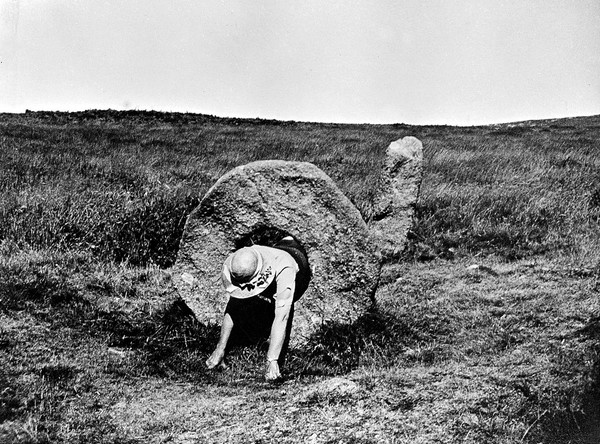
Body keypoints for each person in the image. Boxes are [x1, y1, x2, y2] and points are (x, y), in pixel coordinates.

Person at [205, 236, 311, 380]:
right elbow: (234, 304)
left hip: (295, 260)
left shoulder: (285, 268)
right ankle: (220, 353)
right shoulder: (245, 258)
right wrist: (220, 349)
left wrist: (272, 361)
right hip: (278, 247)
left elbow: (282, 316)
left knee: (281, 306)